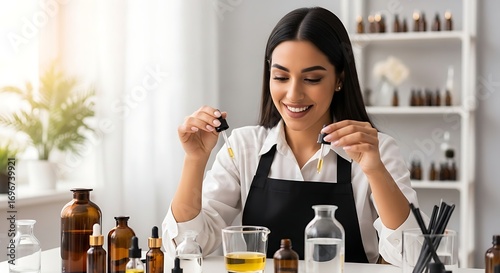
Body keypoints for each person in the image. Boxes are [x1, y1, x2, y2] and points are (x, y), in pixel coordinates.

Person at [162, 6, 422, 266]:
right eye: (281, 77)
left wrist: (374, 169)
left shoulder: (377, 150)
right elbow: (187, 247)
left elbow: (413, 257)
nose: (293, 94)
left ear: (339, 79)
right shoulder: (242, 147)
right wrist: (194, 160)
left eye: (311, 79)